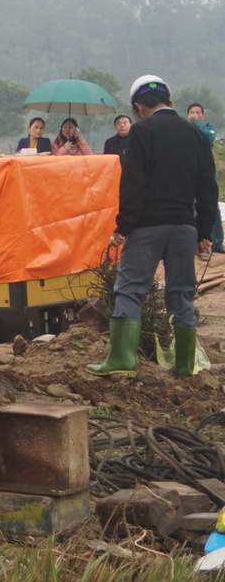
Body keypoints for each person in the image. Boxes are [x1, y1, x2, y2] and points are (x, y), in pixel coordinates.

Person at [89, 75, 220, 378]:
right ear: (171, 103)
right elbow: (207, 188)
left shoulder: (141, 132)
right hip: (184, 228)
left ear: (137, 107)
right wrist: (203, 231)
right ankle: (185, 366)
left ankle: (122, 360)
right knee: (181, 294)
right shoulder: (197, 135)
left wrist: (124, 225)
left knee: (131, 289)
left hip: (147, 226)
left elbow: (133, 183)